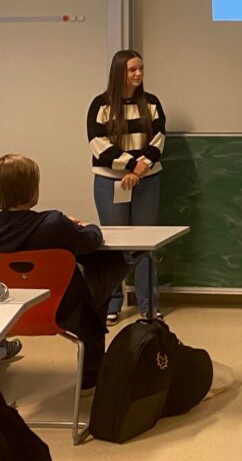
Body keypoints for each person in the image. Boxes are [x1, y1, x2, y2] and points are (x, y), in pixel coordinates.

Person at [0, 154, 129, 392]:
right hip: (62, 312)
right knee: (109, 267)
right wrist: (85, 225)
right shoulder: (54, 223)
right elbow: (91, 241)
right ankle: (90, 376)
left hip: (9, 314)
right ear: (33, 191)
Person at [87, 49, 166, 324]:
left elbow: (158, 138)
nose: (138, 74)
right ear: (119, 72)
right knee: (114, 244)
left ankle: (149, 305)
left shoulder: (151, 103)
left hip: (147, 180)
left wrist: (141, 169)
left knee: (145, 244)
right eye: (132, 69)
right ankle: (113, 303)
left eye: (141, 68)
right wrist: (131, 167)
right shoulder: (100, 105)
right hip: (111, 182)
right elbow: (98, 145)